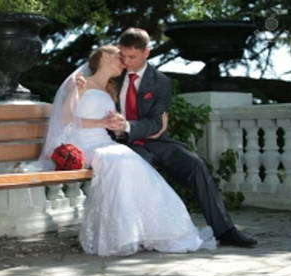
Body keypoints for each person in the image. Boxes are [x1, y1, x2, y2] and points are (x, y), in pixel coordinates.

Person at [39, 44, 215, 256]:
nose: (124, 64)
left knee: (135, 164)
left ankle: (155, 231)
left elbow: (111, 124)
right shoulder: (81, 84)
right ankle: (120, 236)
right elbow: (66, 119)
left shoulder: (110, 90)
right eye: (119, 58)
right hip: (84, 144)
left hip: (105, 143)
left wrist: (117, 124)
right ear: (104, 56)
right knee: (121, 161)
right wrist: (99, 120)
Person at [101, 28, 257, 248]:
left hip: (157, 140)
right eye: (123, 55)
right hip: (124, 144)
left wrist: (127, 125)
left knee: (196, 165)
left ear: (147, 52)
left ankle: (225, 231)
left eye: (132, 57)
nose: (126, 61)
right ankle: (139, 234)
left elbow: (156, 123)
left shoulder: (161, 82)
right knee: (139, 167)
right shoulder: (114, 75)